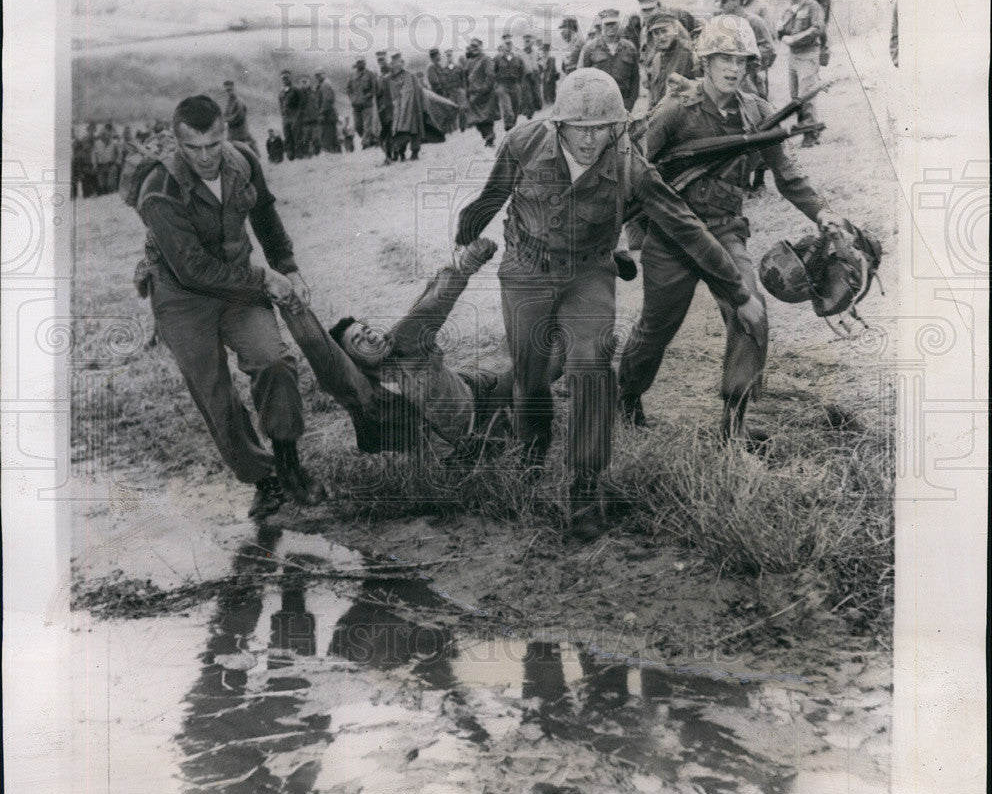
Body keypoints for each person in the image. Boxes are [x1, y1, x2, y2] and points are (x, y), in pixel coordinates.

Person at [455, 68, 767, 539]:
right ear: (558, 125)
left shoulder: (629, 164)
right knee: (531, 371)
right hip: (526, 269)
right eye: (578, 127)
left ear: (617, 127)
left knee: (590, 364)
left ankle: (584, 487)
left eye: (600, 127)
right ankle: (532, 452)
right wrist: (464, 239)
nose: (588, 138)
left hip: (589, 271)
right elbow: (490, 198)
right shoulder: (523, 143)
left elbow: (685, 225)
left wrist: (739, 292)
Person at [618, 16, 848, 442]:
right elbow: (632, 169)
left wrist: (822, 213)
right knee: (656, 328)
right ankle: (628, 394)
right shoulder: (674, 112)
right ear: (705, 61)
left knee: (751, 314)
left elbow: (788, 174)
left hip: (726, 233)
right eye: (723, 58)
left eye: (740, 60)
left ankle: (734, 423)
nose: (733, 68)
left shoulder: (758, 113)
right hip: (672, 237)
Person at [133, 95, 324, 517]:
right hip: (182, 299)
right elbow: (192, 270)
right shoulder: (158, 190)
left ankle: (291, 467)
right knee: (216, 396)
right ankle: (264, 480)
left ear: (225, 135)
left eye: (213, 145)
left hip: (237, 284)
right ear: (176, 143)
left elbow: (266, 214)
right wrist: (263, 278)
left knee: (273, 360)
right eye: (192, 148)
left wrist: (287, 266)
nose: (205, 157)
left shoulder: (243, 159)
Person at [329, 237, 516, 457]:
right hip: (454, 449)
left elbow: (432, 305)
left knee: (531, 363)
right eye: (358, 340)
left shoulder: (404, 341)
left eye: (368, 330)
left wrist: (468, 263)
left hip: (480, 400)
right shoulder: (370, 396)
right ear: (355, 364)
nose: (370, 337)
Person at [777, 0, 826, 146]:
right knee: (796, 97)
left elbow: (817, 28)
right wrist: (782, 36)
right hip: (793, 55)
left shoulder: (812, 5)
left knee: (807, 95)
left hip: (808, 53)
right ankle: (810, 130)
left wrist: (795, 38)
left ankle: (810, 135)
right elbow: (781, 30)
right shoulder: (789, 9)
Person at [718, 0, 776, 97]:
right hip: (732, 75)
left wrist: (746, 56)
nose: (721, 6)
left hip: (752, 75)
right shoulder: (725, 23)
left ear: (736, 1)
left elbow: (769, 48)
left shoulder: (754, 21)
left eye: (725, 1)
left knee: (756, 108)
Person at [578, 9, 640, 112]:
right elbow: (581, 77)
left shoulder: (630, 48)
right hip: (597, 104)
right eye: (607, 24)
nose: (611, 27)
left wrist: (630, 103)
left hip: (623, 104)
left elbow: (635, 79)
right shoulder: (590, 48)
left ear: (619, 25)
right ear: (602, 26)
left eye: (614, 24)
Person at [643, 8, 699, 110]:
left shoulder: (688, 53)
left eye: (664, 31)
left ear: (675, 30)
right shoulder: (657, 58)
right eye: (656, 33)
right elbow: (653, 95)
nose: (661, 37)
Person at [386, 53, 426, 161]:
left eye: (399, 63)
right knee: (399, 131)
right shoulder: (391, 79)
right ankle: (400, 153)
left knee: (414, 130)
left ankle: (415, 153)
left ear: (402, 64)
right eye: (394, 64)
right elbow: (393, 95)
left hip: (412, 108)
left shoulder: (410, 76)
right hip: (398, 109)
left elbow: (417, 91)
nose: (396, 66)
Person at [462, 38, 499, 147]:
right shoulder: (469, 61)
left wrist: (484, 90)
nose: (474, 49)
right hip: (473, 94)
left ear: (481, 47)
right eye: (472, 47)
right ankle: (488, 137)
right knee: (476, 119)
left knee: (486, 118)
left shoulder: (486, 59)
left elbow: (490, 76)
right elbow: (466, 76)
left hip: (484, 94)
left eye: (476, 46)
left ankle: (489, 138)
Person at [493, 32, 525, 132]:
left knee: (515, 109)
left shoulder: (518, 58)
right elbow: (492, 72)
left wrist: (520, 84)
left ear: (512, 45)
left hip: (515, 85)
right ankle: (508, 126)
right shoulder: (497, 59)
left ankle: (512, 128)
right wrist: (497, 86)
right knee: (508, 110)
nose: (508, 46)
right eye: (506, 43)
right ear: (502, 45)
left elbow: (522, 72)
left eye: (509, 43)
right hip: (503, 86)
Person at [346, 57, 377, 149]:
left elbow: (374, 88)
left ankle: (366, 144)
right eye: (358, 63)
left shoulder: (370, 74)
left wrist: (369, 95)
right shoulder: (352, 76)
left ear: (365, 63)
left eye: (362, 62)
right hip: (356, 105)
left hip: (367, 104)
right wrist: (352, 98)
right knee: (357, 126)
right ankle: (370, 139)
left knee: (367, 125)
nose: (360, 64)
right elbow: (348, 89)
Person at [222, 80, 259, 156]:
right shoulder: (230, 101)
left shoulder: (239, 101)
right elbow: (225, 114)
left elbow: (238, 117)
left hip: (240, 132)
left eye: (230, 90)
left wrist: (226, 120)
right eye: (227, 91)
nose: (229, 92)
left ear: (234, 89)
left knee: (245, 153)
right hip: (232, 132)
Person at [374, 51, 395, 163]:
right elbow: (377, 93)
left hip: (392, 106)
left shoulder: (392, 72)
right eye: (379, 60)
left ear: (386, 59)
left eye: (382, 59)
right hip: (383, 108)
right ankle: (388, 156)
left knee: (392, 132)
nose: (381, 62)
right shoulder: (378, 75)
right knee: (384, 133)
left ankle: (392, 155)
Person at [293, 76, 320, 158]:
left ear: (309, 82)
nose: (304, 83)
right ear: (299, 83)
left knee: (316, 139)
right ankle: (307, 156)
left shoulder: (315, 93)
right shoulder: (296, 95)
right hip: (303, 121)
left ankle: (318, 155)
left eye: (306, 81)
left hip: (315, 120)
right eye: (302, 82)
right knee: (305, 140)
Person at [315, 70, 341, 153]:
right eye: (316, 75)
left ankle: (330, 153)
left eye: (319, 75)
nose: (317, 77)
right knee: (331, 135)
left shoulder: (325, 85)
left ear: (324, 74)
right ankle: (335, 153)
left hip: (327, 115)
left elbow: (327, 100)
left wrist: (322, 113)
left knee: (327, 135)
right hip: (328, 114)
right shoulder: (322, 85)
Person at [519, 33, 543, 118]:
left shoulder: (536, 52)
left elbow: (541, 62)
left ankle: (537, 109)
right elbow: (518, 65)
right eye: (526, 41)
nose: (527, 43)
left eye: (529, 41)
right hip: (525, 75)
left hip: (535, 74)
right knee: (527, 94)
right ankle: (529, 112)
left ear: (532, 42)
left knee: (536, 93)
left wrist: (539, 70)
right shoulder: (520, 53)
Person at [444, 49, 468, 131]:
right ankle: (452, 127)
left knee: (462, 109)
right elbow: (443, 82)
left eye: (450, 55)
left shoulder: (459, 67)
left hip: (459, 90)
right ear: (446, 57)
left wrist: (464, 90)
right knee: (450, 109)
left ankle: (462, 126)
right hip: (450, 92)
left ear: (452, 56)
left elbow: (464, 79)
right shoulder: (444, 69)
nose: (449, 58)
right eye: (447, 56)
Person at [277, 70, 299, 161]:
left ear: (290, 78)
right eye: (283, 78)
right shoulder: (281, 92)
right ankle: (291, 157)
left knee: (296, 136)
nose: (285, 80)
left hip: (295, 117)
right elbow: (281, 104)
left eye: (286, 78)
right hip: (286, 118)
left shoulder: (296, 90)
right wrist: (282, 115)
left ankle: (299, 156)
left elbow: (301, 104)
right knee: (287, 137)